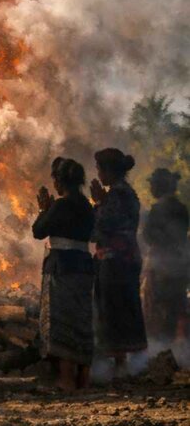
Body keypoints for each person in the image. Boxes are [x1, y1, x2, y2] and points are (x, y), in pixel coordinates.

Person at [33, 157, 95, 391]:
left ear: (60, 181)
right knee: (82, 321)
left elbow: (39, 231)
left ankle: (66, 380)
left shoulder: (61, 205)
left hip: (62, 268)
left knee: (63, 322)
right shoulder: (87, 206)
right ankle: (84, 379)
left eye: (56, 180)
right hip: (84, 267)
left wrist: (43, 210)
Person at [91, 148, 147, 376]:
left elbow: (101, 227)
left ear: (109, 171)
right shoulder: (126, 194)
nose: (98, 174)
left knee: (114, 310)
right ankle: (127, 364)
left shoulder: (117, 195)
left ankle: (120, 365)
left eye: (99, 169)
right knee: (126, 307)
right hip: (127, 260)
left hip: (115, 263)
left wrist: (97, 203)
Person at [142, 168, 189, 345]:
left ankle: (159, 352)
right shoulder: (182, 208)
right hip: (179, 267)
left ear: (159, 186)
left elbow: (148, 237)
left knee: (156, 312)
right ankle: (174, 353)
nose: (151, 188)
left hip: (160, 268)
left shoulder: (158, 209)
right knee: (174, 310)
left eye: (153, 184)